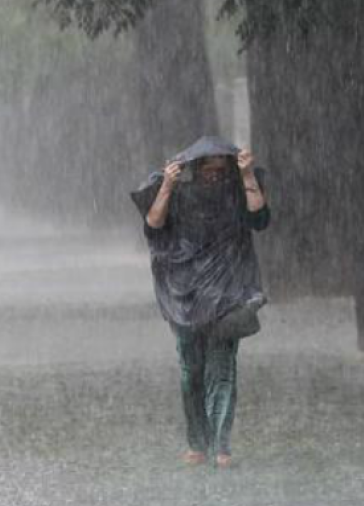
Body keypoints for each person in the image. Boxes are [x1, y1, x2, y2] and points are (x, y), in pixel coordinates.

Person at [130, 136, 270, 468]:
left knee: (222, 371)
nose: (214, 177)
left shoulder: (238, 192)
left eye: (222, 170)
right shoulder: (178, 194)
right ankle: (197, 443)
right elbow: (153, 227)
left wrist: (248, 175)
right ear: (194, 169)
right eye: (208, 170)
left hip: (228, 292)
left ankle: (221, 445)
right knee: (191, 371)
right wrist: (166, 184)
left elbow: (260, 220)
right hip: (184, 295)